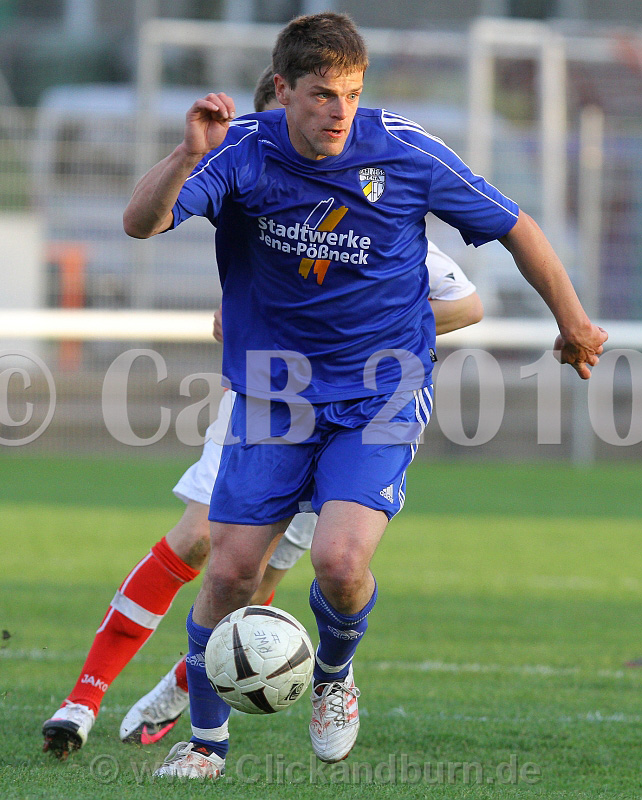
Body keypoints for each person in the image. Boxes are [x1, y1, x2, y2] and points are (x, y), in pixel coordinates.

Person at [122, 12, 606, 780]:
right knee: (230, 573)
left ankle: (334, 675)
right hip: (274, 393)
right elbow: (139, 223)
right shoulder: (239, 149)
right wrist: (187, 155)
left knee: (340, 562)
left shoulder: (406, 151)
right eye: (322, 94)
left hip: (380, 391)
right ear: (283, 89)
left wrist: (573, 322)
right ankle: (207, 744)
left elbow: (516, 225)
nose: (340, 111)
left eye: (351, 93)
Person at [40, 64, 482, 761]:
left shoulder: (374, 217)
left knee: (270, 577)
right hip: (266, 402)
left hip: (349, 408)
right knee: (204, 542)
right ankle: (85, 699)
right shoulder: (250, 192)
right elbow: (177, 238)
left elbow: (467, 302)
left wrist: (371, 328)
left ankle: (191, 690)